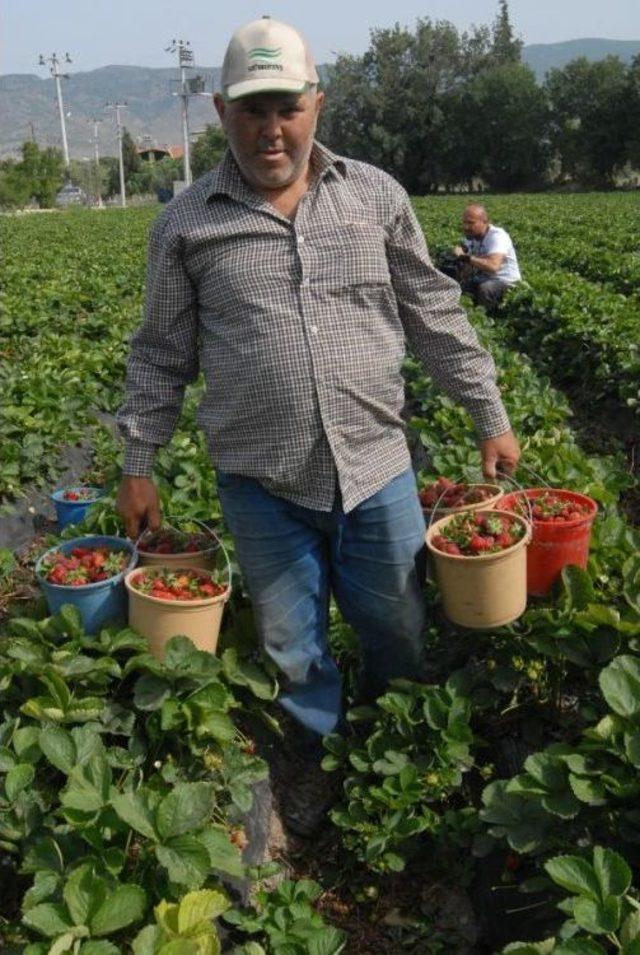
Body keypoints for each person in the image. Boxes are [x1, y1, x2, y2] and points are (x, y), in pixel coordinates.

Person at [116, 16, 520, 836]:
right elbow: (159, 353)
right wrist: (138, 459)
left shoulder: (374, 196)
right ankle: (322, 773)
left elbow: (436, 314)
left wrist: (489, 411)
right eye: (253, 109)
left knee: (400, 624)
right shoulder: (187, 223)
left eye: (287, 108)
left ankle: (402, 762)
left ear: (316, 106)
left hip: (376, 466)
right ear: (222, 112)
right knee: (292, 643)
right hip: (261, 484)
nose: (272, 128)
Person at [452, 204, 522, 313]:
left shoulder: (497, 236)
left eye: (471, 223)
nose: (466, 227)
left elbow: (493, 266)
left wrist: (464, 257)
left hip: (505, 281)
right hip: (483, 278)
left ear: (485, 222)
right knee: (457, 289)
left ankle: (490, 320)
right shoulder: (471, 237)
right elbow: (469, 267)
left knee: (486, 289)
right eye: (464, 222)